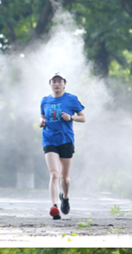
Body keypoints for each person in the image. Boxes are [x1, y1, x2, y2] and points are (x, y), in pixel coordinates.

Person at [39, 71, 85, 220]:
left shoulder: (71, 99)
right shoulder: (45, 100)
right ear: (50, 84)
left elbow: (83, 118)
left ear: (64, 83)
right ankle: (54, 206)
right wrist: (41, 121)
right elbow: (42, 115)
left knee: (64, 178)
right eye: (54, 81)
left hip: (66, 140)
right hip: (49, 139)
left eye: (59, 81)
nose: (57, 84)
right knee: (54, 174)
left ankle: (64, 197)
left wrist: (71, 117)